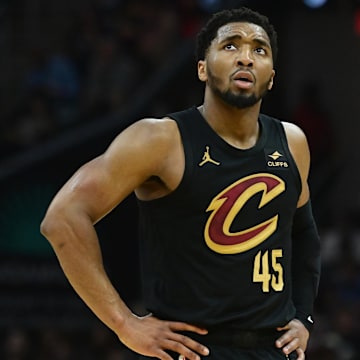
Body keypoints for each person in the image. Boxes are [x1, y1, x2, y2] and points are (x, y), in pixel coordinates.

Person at [40, 7, 321, 360]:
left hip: (272, 349)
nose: (246, 58)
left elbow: (305, 232)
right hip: (192, 349)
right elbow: (62, 219)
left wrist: (304, 316)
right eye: (230, 46)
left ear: (272, 77)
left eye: (259, 50)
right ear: (202, 68)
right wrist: (124, 323)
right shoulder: (159, 139)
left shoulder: (292, 141)